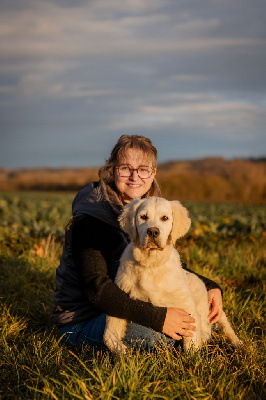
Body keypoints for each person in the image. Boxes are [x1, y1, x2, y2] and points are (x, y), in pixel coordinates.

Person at [53, 135, 223, 349]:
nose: (135, 177)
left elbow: (167, 264)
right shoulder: (91, 219)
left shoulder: (149, 209)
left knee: (185, 318)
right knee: (157, 334)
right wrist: (158, 318)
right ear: (112, 170)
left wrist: (210, 286)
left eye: (143, 169)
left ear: (153, 174)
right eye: (125, 168)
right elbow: (98, 289)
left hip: (122, 308)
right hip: (85, 320)